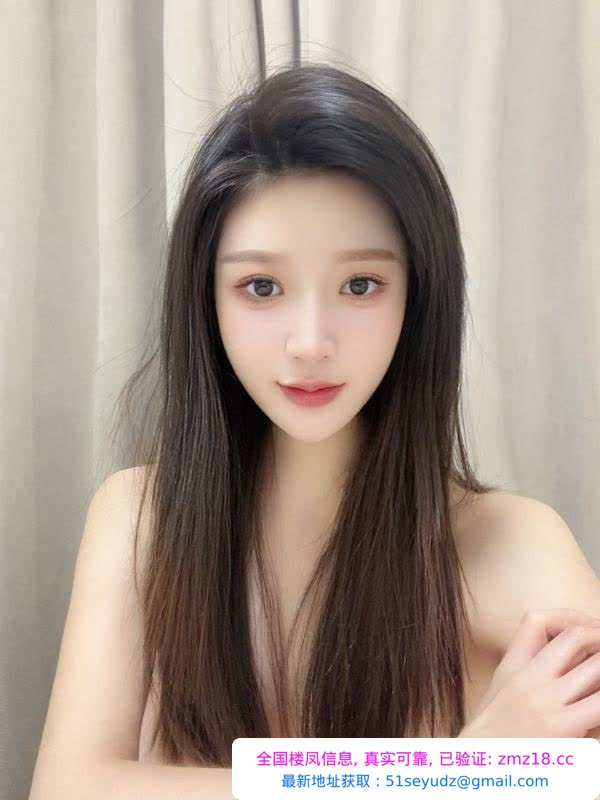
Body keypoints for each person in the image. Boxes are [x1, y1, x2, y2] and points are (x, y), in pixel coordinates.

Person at [29, 63, 600, 800]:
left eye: (360, 285)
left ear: (417, 297)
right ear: (206, 301)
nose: (309, 343)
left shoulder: (508, 542)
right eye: (261, 286)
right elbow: (68, 787)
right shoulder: (140, 520)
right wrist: (459, 770)